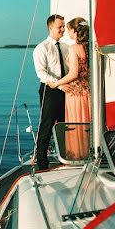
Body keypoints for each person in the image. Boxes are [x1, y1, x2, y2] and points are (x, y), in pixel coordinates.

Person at [49, 17, 91, 160]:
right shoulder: (90, 47)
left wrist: (56, 84)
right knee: (87, 123)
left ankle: (78, 155)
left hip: (75, 93)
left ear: (74, 31)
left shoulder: (74, 48)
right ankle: (89, 153)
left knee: (76, 125)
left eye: (68, 30)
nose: (67, 33)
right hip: (88, 92)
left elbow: (73, 74)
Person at [33, 14, 68, 170]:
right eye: (60, 26)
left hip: (65, 91)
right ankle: (42, 163)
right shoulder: (41, 48)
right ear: (50, 27)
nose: (63, 29)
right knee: (46, 126)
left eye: (64, 26)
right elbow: (42, 73)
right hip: (49, 91)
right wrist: (59, 85)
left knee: (64, 125)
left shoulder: (66, 48)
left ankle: (64, 158)